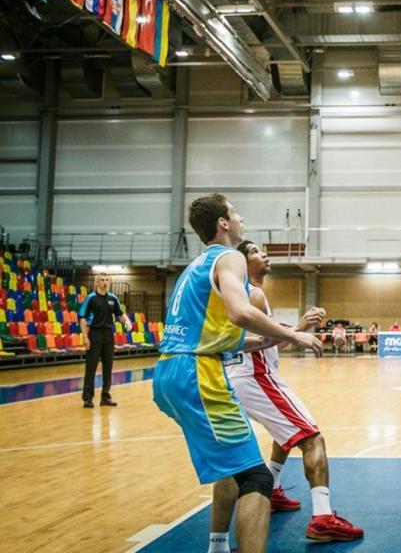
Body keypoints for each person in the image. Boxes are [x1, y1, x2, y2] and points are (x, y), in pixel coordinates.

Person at [153, 194, 324, 553]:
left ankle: (217, 547)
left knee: (234, 467)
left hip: (170, 373)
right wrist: (294, 335)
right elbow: (240, 313)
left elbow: (223, 336)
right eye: (235, 212)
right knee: (257, 478)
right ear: (223, 224)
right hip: (199, 375)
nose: (241, 217)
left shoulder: (196, 266)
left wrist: (269, 340)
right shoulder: (230, 257)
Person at [218, 241, 362, 547]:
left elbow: (266, 340)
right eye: (256, 251)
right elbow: (250, 340)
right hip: (256, 376)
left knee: (283, 435)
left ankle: (273, 489)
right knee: (313, 439)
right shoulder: (252, 294)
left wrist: (297, 328)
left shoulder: (249, 293)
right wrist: (296, 333)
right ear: (243, 262)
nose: (264, 254)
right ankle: (323, 518)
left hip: (246, 377)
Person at [79, 274, 132, 408]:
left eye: (107, 280)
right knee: (91, 367)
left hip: (109, 334)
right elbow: (83, 318)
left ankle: (105, 396)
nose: (105, 282)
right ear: (97, 282)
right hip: (95, 333)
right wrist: (85, 336)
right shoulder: (91, 298)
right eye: (102, 280)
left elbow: (120, 314)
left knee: (108, 367)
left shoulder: (113, 298)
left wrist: (127, 321)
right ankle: (87, 398)